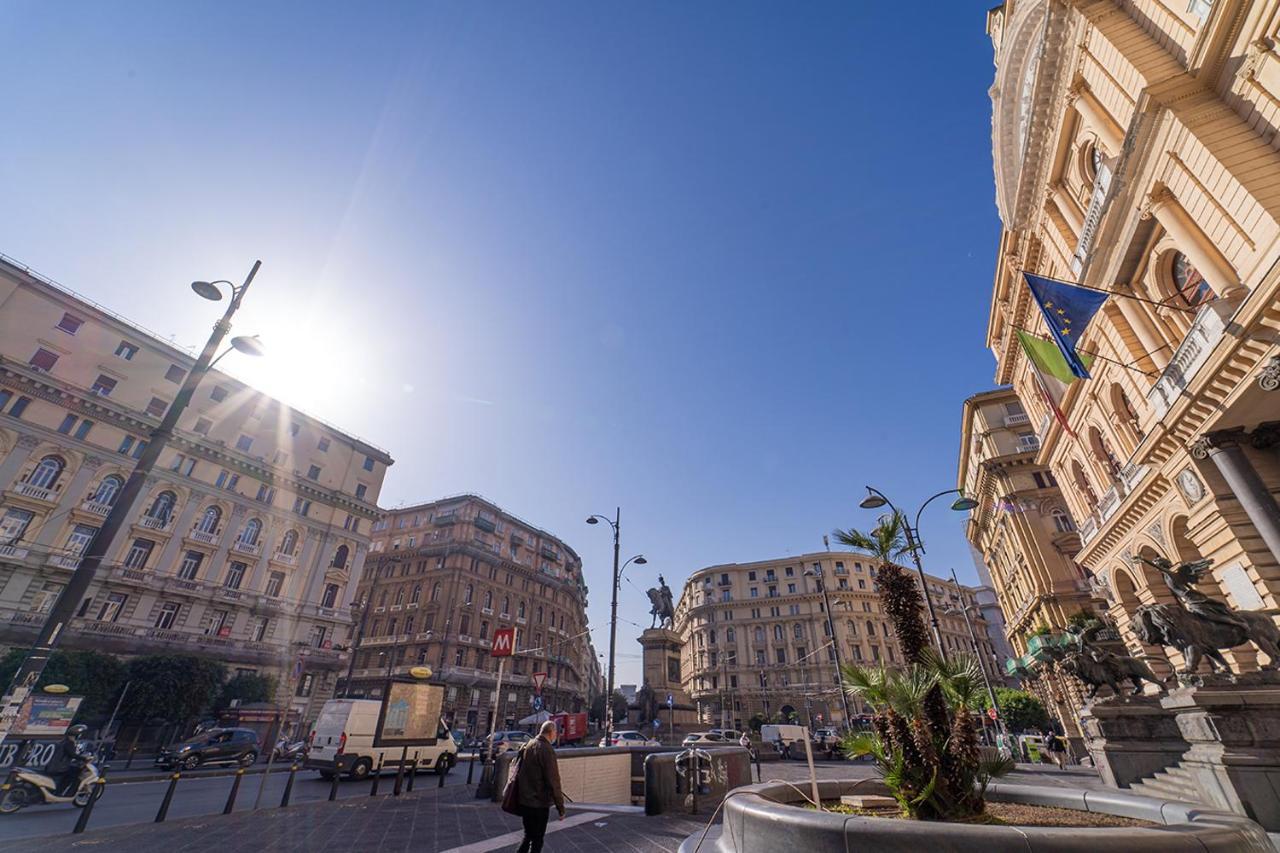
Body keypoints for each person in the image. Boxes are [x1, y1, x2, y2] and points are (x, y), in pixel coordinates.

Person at [514, 720, 565, 853]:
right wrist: (560, 807)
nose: (556, 735)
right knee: (537, 839)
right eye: (555, 732)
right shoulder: (547, 750)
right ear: (551, 732)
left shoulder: (529, 744)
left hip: (525, 799)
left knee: (528, 836)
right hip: (539, 802)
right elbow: (553, 780)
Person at [46, 724, 88, 796]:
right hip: (59, 767)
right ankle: (64, 792)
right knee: (75, 774)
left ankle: (59, 791)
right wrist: (84, 758)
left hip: (53, 765)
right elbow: (72, 754)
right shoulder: (69, 743)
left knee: (72, 771)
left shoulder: (63, 741)